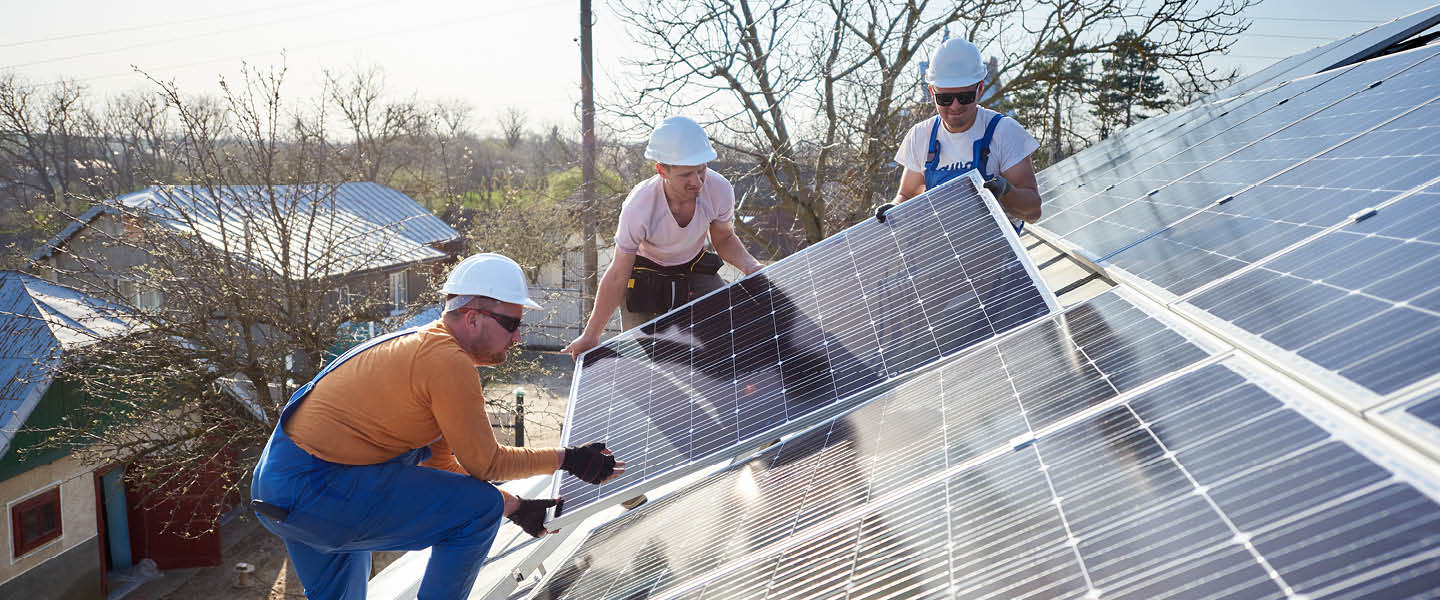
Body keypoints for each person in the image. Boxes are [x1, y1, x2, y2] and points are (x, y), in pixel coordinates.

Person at [250, 253, 625, 600]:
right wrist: (569, 458)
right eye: (511, 324)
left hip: (278, 489)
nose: (518, 337)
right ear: (473, 317)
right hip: (316, 488)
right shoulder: (447, 361)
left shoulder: (421, 348)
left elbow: (440, 465)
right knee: (478, 510)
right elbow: (487, 465)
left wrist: (514, 505)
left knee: (346, 584)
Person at [563, 116, 763, 358]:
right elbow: (618, 274)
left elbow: (723, 239)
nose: (697, 181)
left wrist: (750, 266)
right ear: (661, 170)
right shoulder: (640, 206)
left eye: (702, 170)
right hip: (644, 275)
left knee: (726, 330)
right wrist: (591, 335)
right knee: (649, 361)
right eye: (686, 175)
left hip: (692, 266)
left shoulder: (719, 190)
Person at [878, 37, 1043, 230]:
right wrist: (893, 210)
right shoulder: (921, 136)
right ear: (932, 92)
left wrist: (1007, 192)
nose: (955, 106)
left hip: (998, 256)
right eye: (945, 98)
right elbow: (906, 195)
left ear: (979, 88)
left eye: (964, 97)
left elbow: (1033, 212)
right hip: (942, 252)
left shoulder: (1005, 132)